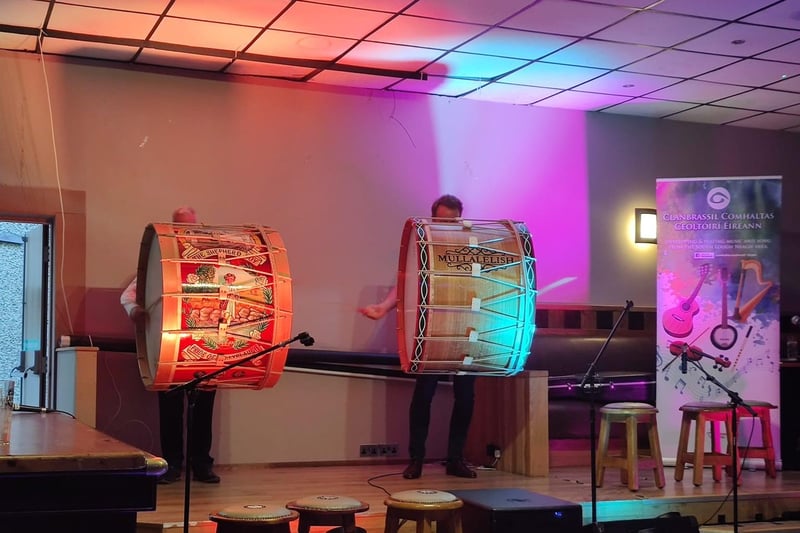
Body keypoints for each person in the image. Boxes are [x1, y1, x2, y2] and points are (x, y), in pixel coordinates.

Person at [359, 194, 477, 479]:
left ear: (459, 219)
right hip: (432, 333)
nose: (444, 225)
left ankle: (456, 459)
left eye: (451, 221)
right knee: (423, 396)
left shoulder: (472, 246)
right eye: (440, 220)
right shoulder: (424, 246)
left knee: (466, 397)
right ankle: (416, 460)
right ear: (433, 218)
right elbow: (406, 282)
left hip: (465, 333)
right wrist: (384, 308)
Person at [120, 206, 220, 485]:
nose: (184, 234)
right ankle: (172, 464)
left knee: (203, 412)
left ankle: (202, 465)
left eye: (189, 228)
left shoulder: (209, 264)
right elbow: (128, 297)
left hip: (204, 348)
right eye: (179, 228)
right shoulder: (159, 263)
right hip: (170, 349)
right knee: (171, 411)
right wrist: (136, 312)